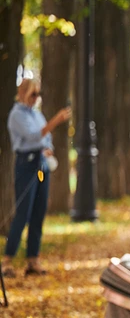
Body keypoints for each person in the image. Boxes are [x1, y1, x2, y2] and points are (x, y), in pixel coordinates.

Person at [3, 78, 70, 277]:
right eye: (33, 94)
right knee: (23, 212)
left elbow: (45, 138)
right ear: (23, 93)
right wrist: (56, 121)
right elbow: (34, 136)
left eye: (38, 94)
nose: (36, 98)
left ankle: (33, 259)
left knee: (39, 211)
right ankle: (7, 260)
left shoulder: (36, 114)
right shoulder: (16, 115)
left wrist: (48, 149)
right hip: (26, 165)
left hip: (41, 165)